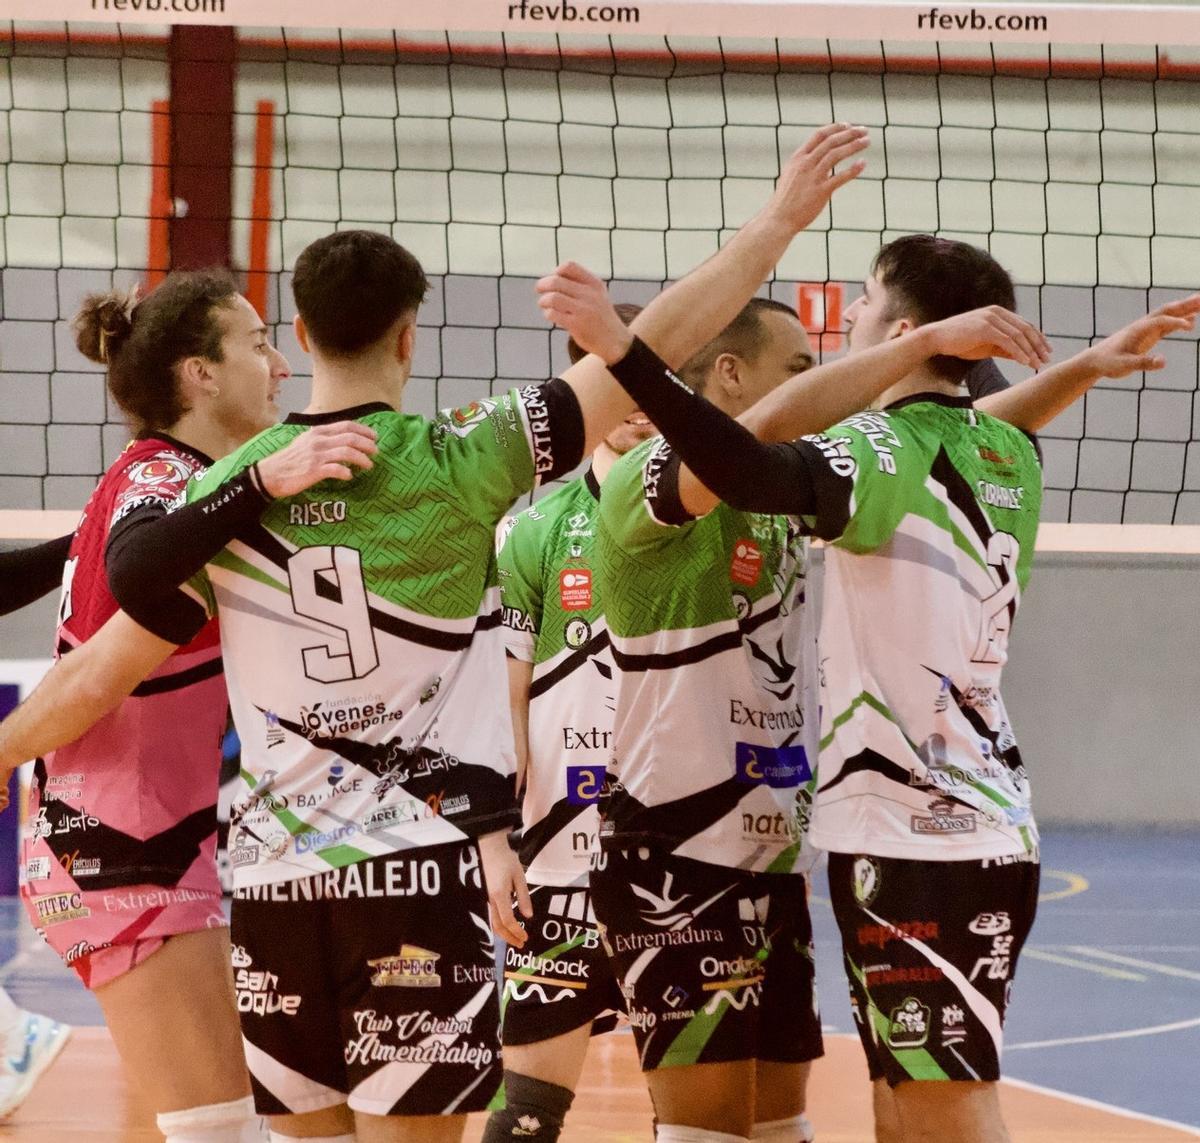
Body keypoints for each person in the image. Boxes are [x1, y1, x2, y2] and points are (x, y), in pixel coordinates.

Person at [0, 125, 876, 1143]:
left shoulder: (220, 498)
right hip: (417, 869)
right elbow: (667, 346)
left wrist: (248, 485)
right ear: (411, 335)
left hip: (276, 878)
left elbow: (119, 608)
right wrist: (774, 225)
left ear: (301, 328)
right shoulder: (471, 456)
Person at [537, 234, 1199, 1143]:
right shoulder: (1001, 450)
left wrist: (624, 352)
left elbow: (759, 457)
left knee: (934, 1106)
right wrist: (1078, 365)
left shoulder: (877, 450)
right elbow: (943, 432)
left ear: (909, 329)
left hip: (908, 831)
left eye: (859, 308)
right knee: (897, 1105)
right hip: (892, 825)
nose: (844, 325)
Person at [3, 268, 377, 1142]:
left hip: (153, 846)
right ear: (199, 375)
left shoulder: (169, 489)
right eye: (256, 343)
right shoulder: (169, 486)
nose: (281, 365)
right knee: (220, 1132)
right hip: (118, 852)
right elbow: (87, 680)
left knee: (254, 1126)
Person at [482, 305, 649, 1143]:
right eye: (625, 381)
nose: (646, 398)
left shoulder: (717, 511)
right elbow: (503, 699)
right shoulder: (536, 528)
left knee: (699, 1106)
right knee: (526, 1112)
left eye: (662, 376)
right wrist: (501, 840)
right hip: (563, 859)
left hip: (683, 861)